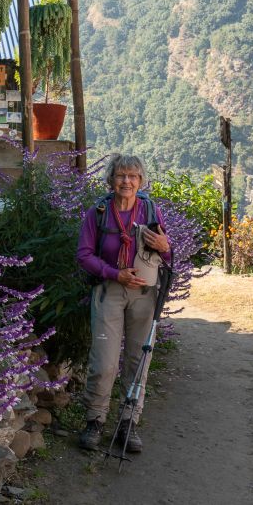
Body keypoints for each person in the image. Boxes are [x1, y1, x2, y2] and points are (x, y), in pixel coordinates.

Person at [76, 154, 171, 453]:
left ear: (141, 181)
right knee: (104, 362)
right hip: (110, 291)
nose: (126, 181)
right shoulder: (99, 212)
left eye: (132, 176)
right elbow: (84, 254)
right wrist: (114, 273)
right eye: (120, 175)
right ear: (111, 179)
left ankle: (129, 423)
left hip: (145, 294)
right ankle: (95, 420)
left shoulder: (151, 210)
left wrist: (166, 247)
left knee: (138, 361)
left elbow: (166, 256)